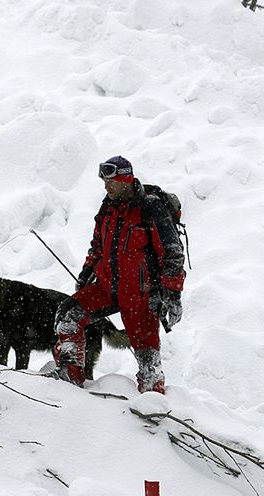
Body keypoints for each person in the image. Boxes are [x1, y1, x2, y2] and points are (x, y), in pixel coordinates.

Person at [53, 156, 185, 394]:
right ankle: (69, 379)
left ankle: (153, 404)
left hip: (140, 295)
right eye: (104, 181)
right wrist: (86, 274)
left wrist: (173, 295)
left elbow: (172, 255)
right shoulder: (108, 206)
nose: (106, 186)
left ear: (126, 178)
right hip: (106, 287)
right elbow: (97, 246)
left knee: (147, 357)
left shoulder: (150, 207)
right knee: (68, 315)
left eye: (111, 181)